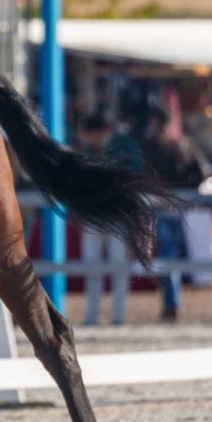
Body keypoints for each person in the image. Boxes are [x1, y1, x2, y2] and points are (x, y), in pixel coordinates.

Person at [141, 106, 206, 322]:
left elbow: (143, 176)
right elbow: (201, 174)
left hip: (159, 204)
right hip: (178, 204)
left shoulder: (151, 146)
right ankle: (173, 302)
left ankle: (171, 303)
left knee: (167, 255)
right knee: (175, 254)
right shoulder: (183, 144)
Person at [76, 114, 143, 326]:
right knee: (93, 267)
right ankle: (92, 315)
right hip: (96, 215)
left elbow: (134, 179)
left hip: (114, 214)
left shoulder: (125, 147)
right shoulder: (89, 150)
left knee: (118, 266)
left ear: (100, 132)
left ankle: (118, 316)